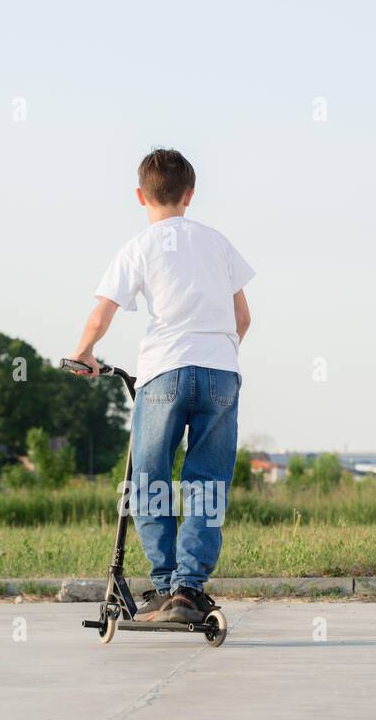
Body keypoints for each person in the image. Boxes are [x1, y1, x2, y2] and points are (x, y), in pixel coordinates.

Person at [67, 148, 255, 623]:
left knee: (150, 480)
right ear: (189, 195)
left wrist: (84, 354)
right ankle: (190, 590)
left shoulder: (138, 247)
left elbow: (101, 312)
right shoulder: (217, 243)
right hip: (220, 373)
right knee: (208, 483)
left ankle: (165, 584)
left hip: (164, 372)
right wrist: (220, 356)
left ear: (140, 196)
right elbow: (242, 318)